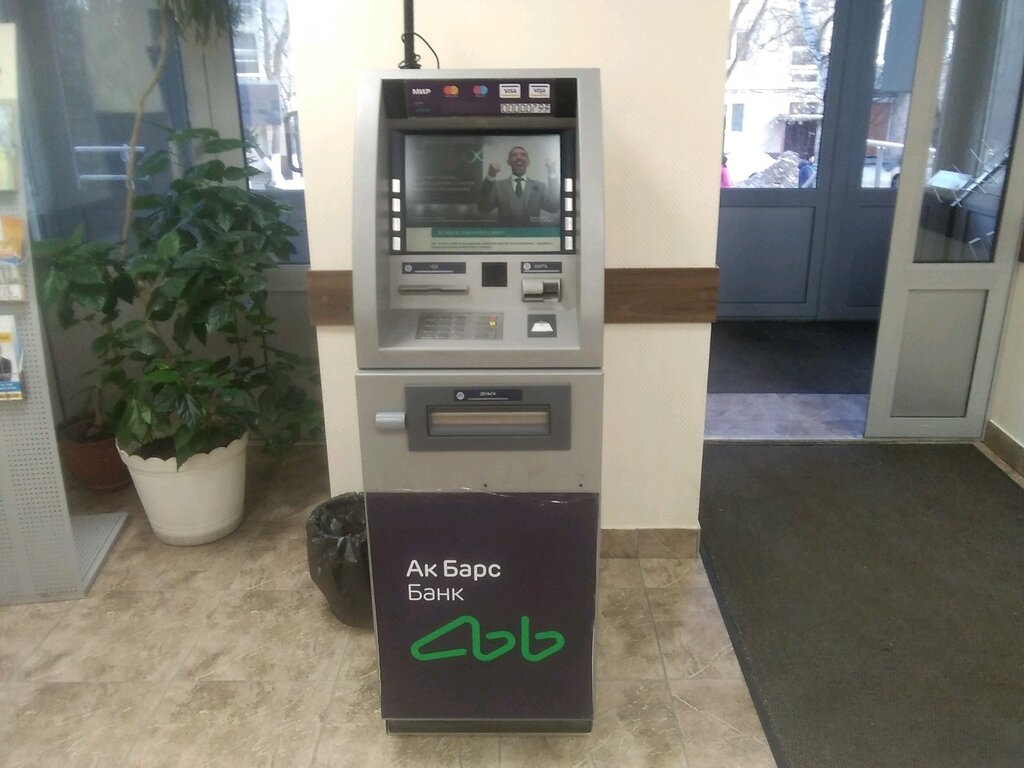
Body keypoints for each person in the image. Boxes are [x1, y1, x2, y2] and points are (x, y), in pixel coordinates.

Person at [477, 146, 559, 225]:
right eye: (514, 155)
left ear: (528, 162)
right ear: (508, 161)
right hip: (505, 233)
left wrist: (552, 172)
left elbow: (553, 207)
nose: (519, 157)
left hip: (533, 233)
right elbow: (483, 208)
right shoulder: (498, 186)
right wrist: (490, 176)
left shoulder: (541, 186)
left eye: (523, 155)